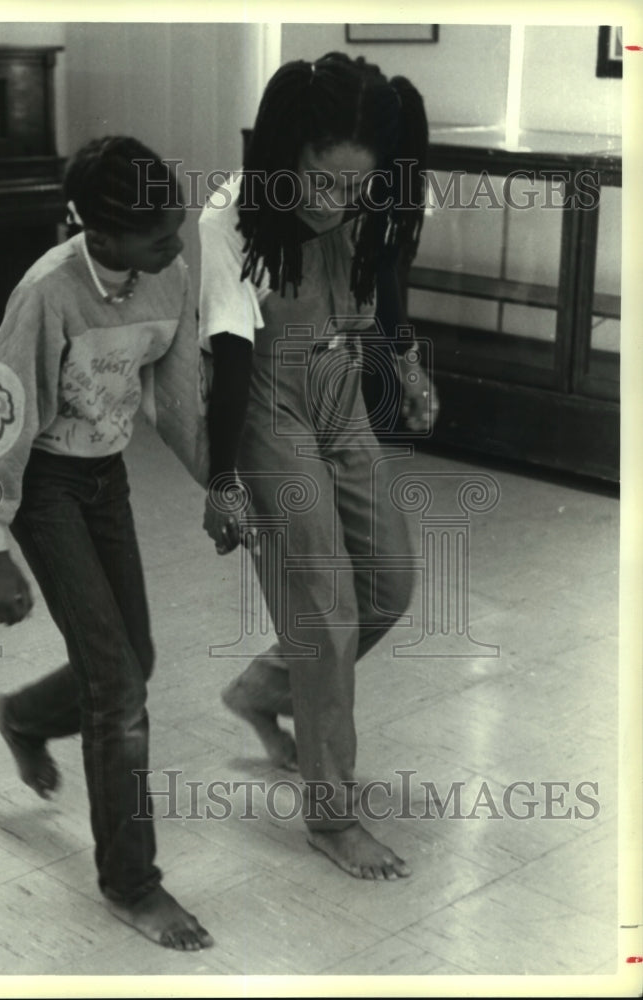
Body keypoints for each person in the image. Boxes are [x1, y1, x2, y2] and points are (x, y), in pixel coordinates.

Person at [0, 135, 212, 951]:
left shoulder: (166, 275)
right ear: (101, 237)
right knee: (117, 687)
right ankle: (132, 883)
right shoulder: (47, 293)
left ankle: (23, 717)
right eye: (157, 234)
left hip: (104, 477)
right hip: (44, 486)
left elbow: (176, 400)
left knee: (132, 659)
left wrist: (225, 485)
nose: (175, 245)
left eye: (175, 227)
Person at [199, 52, 438, 881]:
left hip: (338, 390)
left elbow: (389, 273)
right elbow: (228, 359)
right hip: (265, 407)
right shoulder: (230, 217)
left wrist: (405, 367)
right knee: (325, 613)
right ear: (286, 148)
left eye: (352, 187)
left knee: (388, 585)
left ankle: (265, 689)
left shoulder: (374, 192)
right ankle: (330, 816)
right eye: (319, 181)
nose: (334, 201)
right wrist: (224, 481)